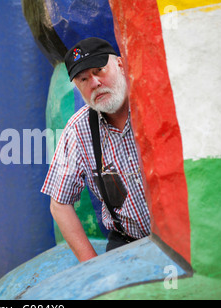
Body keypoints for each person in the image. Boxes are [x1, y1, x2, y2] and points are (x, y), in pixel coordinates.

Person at [41, 37, 151, 262]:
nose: (94, 83)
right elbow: (59, 204)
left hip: (184, 235)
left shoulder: (154, 101)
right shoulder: (78, 130)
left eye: (99, 70)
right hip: (128, 244)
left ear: (120, 64)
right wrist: (91, 264)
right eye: (83, 78)